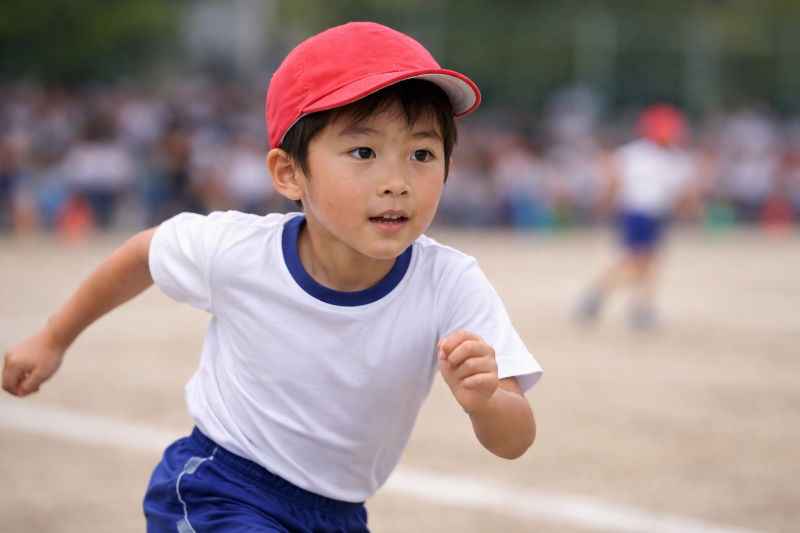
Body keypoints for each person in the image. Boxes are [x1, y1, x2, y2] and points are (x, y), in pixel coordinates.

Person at [2, 22, 542, 533]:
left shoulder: (449, 282)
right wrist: (53, 338)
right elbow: (144, 253)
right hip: (222, 488)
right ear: (289, 173)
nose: (397, 181)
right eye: (363, 151)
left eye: (422, 153)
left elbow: (515, 439)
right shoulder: (240, 252)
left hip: (340, 515)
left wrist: (486, 402)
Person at [577, 104, 699, 330]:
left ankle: (611, 298)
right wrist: (607, 200)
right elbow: (612, 176)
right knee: (639, 261)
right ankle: (631, 304)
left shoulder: (678, 160)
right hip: (636, 213)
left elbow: (683, 194)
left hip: (658, 216)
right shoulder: (637, 153)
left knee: (647, 264)